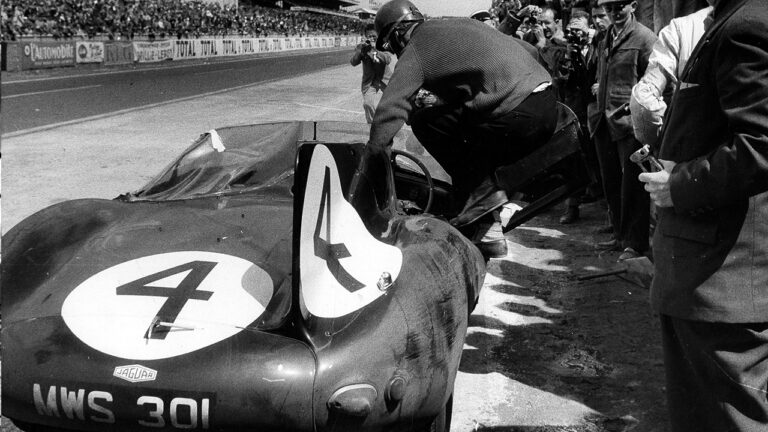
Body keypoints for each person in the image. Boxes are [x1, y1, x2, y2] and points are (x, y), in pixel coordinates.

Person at [637, 0, 768, 430]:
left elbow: (761, 145)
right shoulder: (732, 19)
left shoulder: (747, 25)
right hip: (712, 275)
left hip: (721, 280)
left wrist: (679, 186)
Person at [363, 0, 556, 258]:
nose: (393, 50)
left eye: (389, 43)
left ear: (398, 33)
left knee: (424, 119)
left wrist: (371, 166)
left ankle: (483, 203)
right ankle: (487, 227)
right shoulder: (456, 24)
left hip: (517, 115)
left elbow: (388, 113)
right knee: (453, 119)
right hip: (547, 104)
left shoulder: (416, 48)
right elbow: (529, 50)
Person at [591, 0, 656, 261]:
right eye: (609, 8)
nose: (614, 12)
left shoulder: (644, 38)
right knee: (611, 182)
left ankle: (634, 244)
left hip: (629, 123)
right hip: (603, 120)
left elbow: (653, 81)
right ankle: (619, 235)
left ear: (633, 5)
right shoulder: (605, 37)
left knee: (633, 186)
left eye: (619, 6)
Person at [629, 5, 711, 147]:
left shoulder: (683, 28)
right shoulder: (684, 29)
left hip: (695, 148)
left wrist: (660, 144)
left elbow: (643, 99)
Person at [350, 23, 393, 124]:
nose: (372, 38)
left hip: (385, 79)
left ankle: (389, 123)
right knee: (368, 104)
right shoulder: (361, 47)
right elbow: (353, 62)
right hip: (370, 82)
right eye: (369, 36)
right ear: (365, 36)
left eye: (374, 36)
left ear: (378, 35)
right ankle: (373, 126)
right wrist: (360, 51)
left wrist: (374, 50)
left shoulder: (384, 45)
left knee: (393, 103)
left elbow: (387, 59)